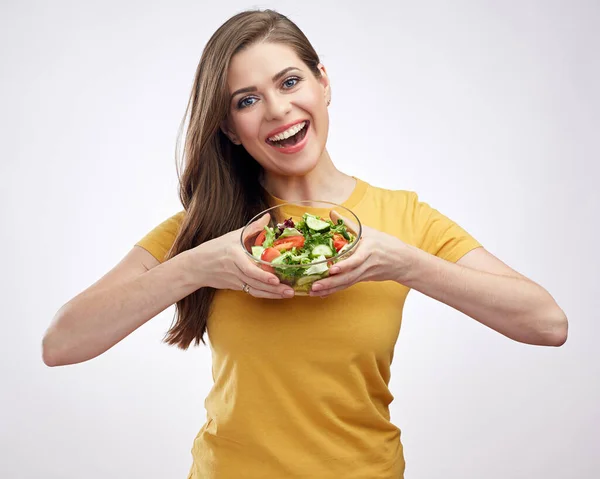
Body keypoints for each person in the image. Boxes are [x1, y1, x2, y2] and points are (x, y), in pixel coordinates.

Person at [42, 9, 568, 479]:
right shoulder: (204, 230)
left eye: (290, 81)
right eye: (247, 100)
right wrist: (196, 266)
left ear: (323, 83)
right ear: (228, 128)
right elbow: (61, 343)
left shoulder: (405, 219)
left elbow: (547, 323)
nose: (276, 109)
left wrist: (404, 262)